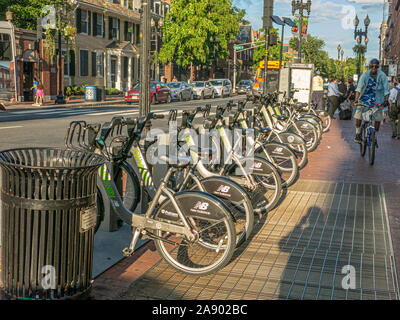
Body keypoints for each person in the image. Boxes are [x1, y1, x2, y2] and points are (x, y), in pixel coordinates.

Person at [353, 59, 390, 145]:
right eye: (372, 66)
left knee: (378, 119)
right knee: (359, 115)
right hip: (364, 100)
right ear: (370, 67)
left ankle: (375, 137)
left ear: (378, 67)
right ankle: (358, 134)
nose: (374, 68)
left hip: (377, 101)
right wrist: (356, 100)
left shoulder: (382, 75)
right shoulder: (364, 75)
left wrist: (386, 100)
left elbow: (386, 90)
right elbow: (358, 88)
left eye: (376, 67)